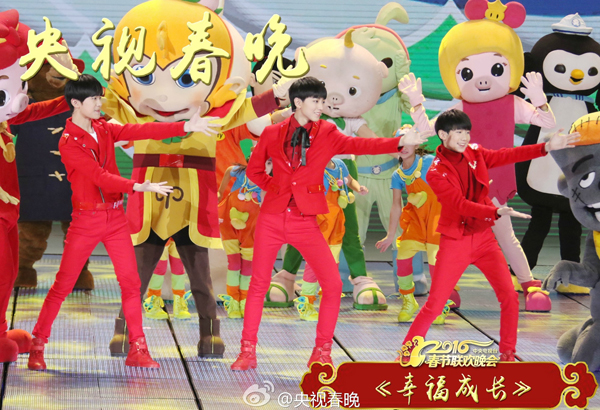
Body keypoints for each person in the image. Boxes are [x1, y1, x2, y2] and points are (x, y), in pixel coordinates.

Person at [230, 77, 427, 371]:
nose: (321, 106)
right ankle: (247, 351)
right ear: (298, 102)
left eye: (323, 101)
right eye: (316, 101)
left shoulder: (327, 131)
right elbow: (255, 171)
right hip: (272, 218)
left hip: (306, 219)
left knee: (333, 285)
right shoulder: (272, 133)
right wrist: (275, 188)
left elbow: (361, 144)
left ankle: (322, 352)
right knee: (258, 285)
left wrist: (399, 142)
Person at [27, 74, 219, 371]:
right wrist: (138, 186)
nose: (99, 103)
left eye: (100, 97)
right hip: (87, 219)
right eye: (93, 99)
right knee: (62, 286)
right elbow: (99, 177)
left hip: (115, 217)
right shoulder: (68, 142)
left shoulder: (103, 128)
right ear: (76, 103)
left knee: (131, 284)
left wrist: (184, 127)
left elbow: (140, 130)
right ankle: (38, 344)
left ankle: (137, 349)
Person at [398, 110, 579, 363]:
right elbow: (459, 205)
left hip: (483, 239)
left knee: (509, 297)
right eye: (458, 132)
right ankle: (406, 354)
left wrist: (546, 147)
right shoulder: (436, 172)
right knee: (436, 304)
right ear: (443, 135)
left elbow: (507, 155)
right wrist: (494, 211)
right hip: (456, 240)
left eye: (467, 132)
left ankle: (507, 354)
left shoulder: (475, 152)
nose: (464, 137)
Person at [375, 136, 452, 324]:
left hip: (437, 219)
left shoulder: (429, 162)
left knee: (436, 264)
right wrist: (390, 235)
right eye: (399, 143)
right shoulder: (397, 175)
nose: (403, 147)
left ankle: (439, 304)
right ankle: (409, 302)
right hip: (416, 222)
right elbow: (396, 205)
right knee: (402, 257)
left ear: (416, 144)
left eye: (407, 142)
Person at [295, 157, 368, 322]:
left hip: (336, 220)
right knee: (314, 263)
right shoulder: (312, 166)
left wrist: (358, 188)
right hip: (319, 219)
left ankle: (327, 301)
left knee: (332, 262)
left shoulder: (340, 165)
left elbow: (350, 180)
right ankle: (306, 303)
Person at [217, 158, 272, 319]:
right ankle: (233, 301)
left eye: (270, 163)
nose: (265, 166)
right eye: (263, 160)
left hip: (252, 230)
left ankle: (245, 301)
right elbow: (229, 170)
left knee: (248, 267)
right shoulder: (242, 173)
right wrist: (220, 192)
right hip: (229, 225)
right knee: (234, 264)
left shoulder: (269, 183)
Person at [143, 238, 191, 320]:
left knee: (179, 266)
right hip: (160, 233)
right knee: (159, 267)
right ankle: (153, 303)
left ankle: (179, 303)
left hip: (179, 233)